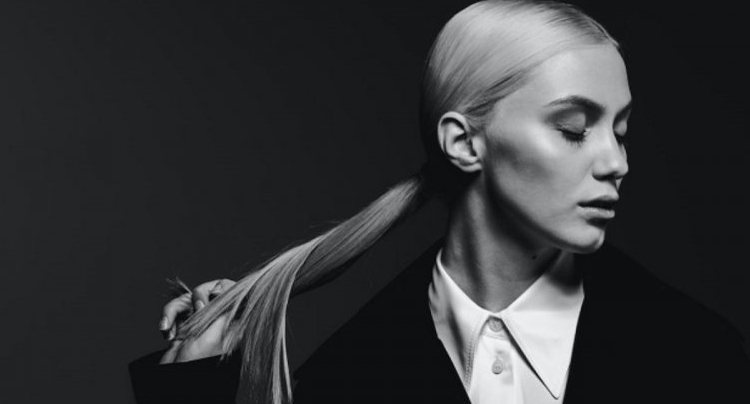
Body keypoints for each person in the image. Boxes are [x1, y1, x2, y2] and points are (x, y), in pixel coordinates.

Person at [129, 1, 750, 403]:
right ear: (464, 143)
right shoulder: (347, 379)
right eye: (573, 129)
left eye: (621, 130)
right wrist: (190, 389)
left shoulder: (699, 357)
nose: (617, 161)